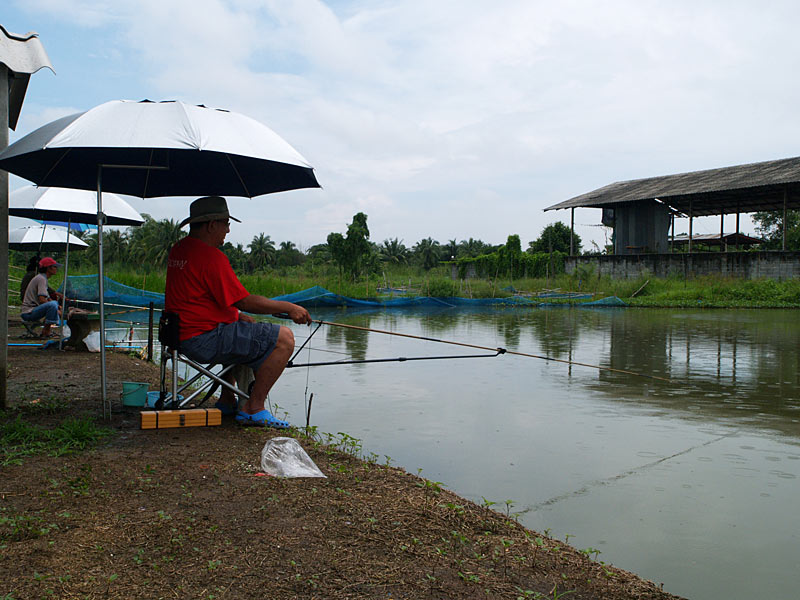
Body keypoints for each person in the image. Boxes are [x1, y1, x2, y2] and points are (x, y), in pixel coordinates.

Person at [165, 196, 312, 428]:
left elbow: (201, 300)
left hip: (178, 336)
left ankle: (227, 399)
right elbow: (244, 301)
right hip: (202, 340)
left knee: (244, 328)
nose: (228, 230)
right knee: (284, 338)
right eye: (225, 223)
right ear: (212, 225)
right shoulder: (211, 257)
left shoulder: (179, 250)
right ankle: (254, 408)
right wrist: (290, 307)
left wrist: (236, 316)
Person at [21, 257, 63, 338]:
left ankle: (47, 329)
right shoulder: (41, 279)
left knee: (54, 304)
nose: (56, 269)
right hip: (29, 312)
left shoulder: (43, 278)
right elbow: (42, 299)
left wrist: (58, 307)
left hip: (33, 310)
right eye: (54, 266)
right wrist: (56, 308)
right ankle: (46, 331)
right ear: (48, 268)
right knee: (53, 304)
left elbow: (47, 297)